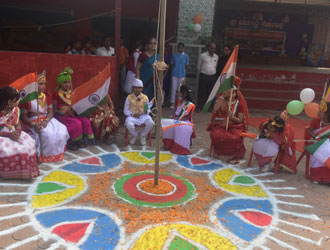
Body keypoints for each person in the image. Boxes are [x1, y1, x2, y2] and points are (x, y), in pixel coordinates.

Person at [20, 71, 69, 163]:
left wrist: (46, 121)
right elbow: (23, 116)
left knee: (62, 130)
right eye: (40, 84)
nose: (43, 86)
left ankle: (56, 154)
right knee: (47, 134)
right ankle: (43, 155)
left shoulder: (47, 96)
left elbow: (50, 112)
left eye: (44, 84)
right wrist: (34, 125)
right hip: (34, 121)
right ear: (34, 85)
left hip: (47, 119)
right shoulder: (27, 99)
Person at [0, 86, 39, 179]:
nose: (19, 101)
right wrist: (9, 135)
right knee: (6, 150)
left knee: (27, 145)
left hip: (13, 133)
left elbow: (17, 124)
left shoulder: (16, 110)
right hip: (2, 135)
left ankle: (24, 171)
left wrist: (18, 132)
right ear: (9, 102)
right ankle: (7, 173)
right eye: (16, 100)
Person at [207, 77, 248, 163]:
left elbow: (240, 120)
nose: (230, 95)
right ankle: (219, 155)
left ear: (236, 94)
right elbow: (215, 110)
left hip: (234, 125)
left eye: (232, 93)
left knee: (233, 138)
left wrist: (232, 116)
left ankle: (231, 156)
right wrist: (222, 97)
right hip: (220, 124)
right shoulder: (221, 100)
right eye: (228, 92)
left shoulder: (239, 104)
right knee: (216, 135)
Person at [53, 67, 94, 150]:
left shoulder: (72, 93)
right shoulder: (56, 94)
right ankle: (72, 141)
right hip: (62, 115)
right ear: (60, 83)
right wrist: (62, 112)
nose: (67, 84)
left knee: (85, 121)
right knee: (77, 123)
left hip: (73, 114)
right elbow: (54, 110)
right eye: (64, 82)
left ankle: (79, 140)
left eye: (68, 82)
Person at [163, 86, 195, 155]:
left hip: (185, 121)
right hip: (176, 119)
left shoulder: (189, 104)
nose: (179, 93)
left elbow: (186, 116)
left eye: (180, 92)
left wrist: (178, 119)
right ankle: (169, 145)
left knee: (180, 127)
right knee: (169, 125)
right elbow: (174, 111)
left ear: (183, 93)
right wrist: (174, 117)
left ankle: (180, 147)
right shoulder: (178, 101)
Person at [124, 78, 154, 145]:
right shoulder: (128, 97)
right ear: (132, 88)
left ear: (142, 89)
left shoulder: (145, 97)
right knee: (129, 124)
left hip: (143, 116)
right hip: (132, 117)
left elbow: (147, 107)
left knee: (151, 123)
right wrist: (133, 114)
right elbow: (125, 110)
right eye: (135, 88)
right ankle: (135, 134)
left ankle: (143, 135)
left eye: (139, 88)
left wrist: (146, 111)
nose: (137, 89)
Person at [307, 102, 330, 183]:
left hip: (327, 143)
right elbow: (310, 131)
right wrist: (315, 137)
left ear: (327, 113)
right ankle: (317, 177)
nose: (318, 112)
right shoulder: (316, 120)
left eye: (321, 111)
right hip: (316, 143)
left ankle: (327, 178)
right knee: (324, 152)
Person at [196, 42, 218, 112]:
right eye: (211, 48)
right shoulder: (203, 55)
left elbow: (215, 66)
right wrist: (204, 72)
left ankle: (209, 107)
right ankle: (199, 107)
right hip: (204, 76)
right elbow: (198, 66)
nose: (213, 49)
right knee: (202, 92)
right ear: (209, 48)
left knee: (211, 92)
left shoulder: (216, 57)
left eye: (214, 48)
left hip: (212, 77)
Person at [170, 43, 189, 109]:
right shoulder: (174, 55)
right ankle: (172, 102)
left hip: (182, 75)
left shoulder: (186, 56)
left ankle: (179, 103)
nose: (180, 49)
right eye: (179, 47)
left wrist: (183, 72)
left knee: (180, 90)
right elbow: (172, 64)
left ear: (183, 48)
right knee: (173, 88)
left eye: (181, 48)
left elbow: (186, 65)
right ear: (177, 48)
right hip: (174, 74)